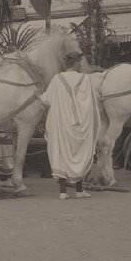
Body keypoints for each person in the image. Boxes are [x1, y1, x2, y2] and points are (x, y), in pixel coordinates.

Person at [39, 50, 98, 199]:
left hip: (62, 123)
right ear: (77, 63)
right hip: (80, 124)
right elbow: (91, 102)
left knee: (62, 153)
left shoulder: (57, 79)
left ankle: (63, 192)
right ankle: (79, 191)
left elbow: (46, 100)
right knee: (78, 152)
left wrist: (37, 95)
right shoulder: (85, 79)